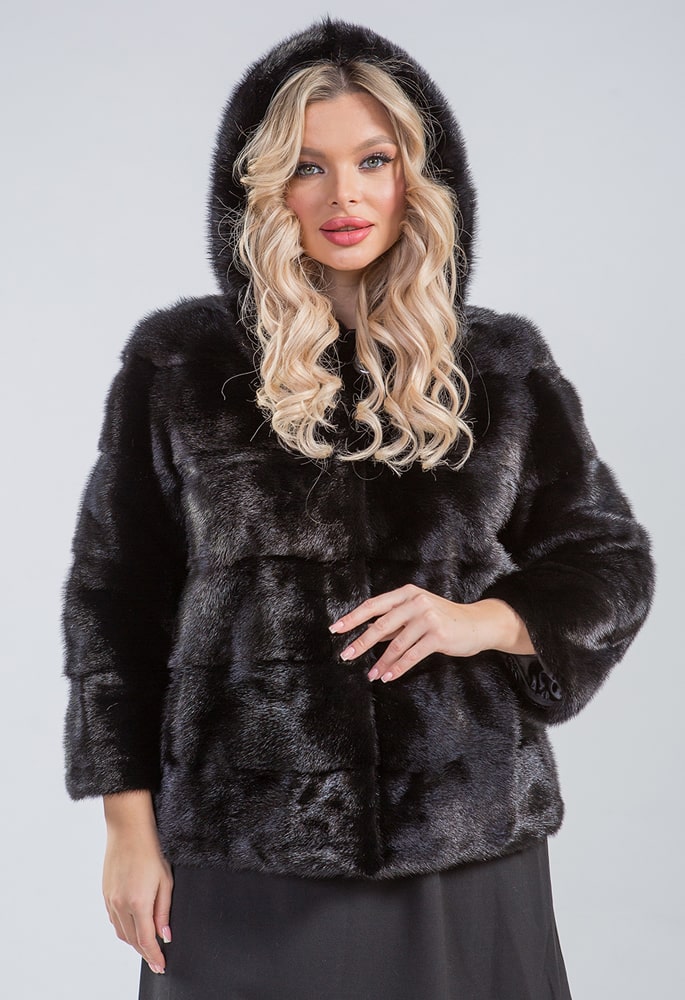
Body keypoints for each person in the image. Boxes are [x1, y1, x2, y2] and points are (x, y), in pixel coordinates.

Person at [60, 17, 656, 1000]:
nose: (343, 194)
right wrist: (127, 827)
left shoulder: (497, 367)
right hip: (241, 851)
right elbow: (114, 601)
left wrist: (482, 619)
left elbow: (609, 562)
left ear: (416, 177)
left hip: (459, 849)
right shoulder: (180, 367)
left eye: (372, 160)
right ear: (263, 190)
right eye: (308, 166)